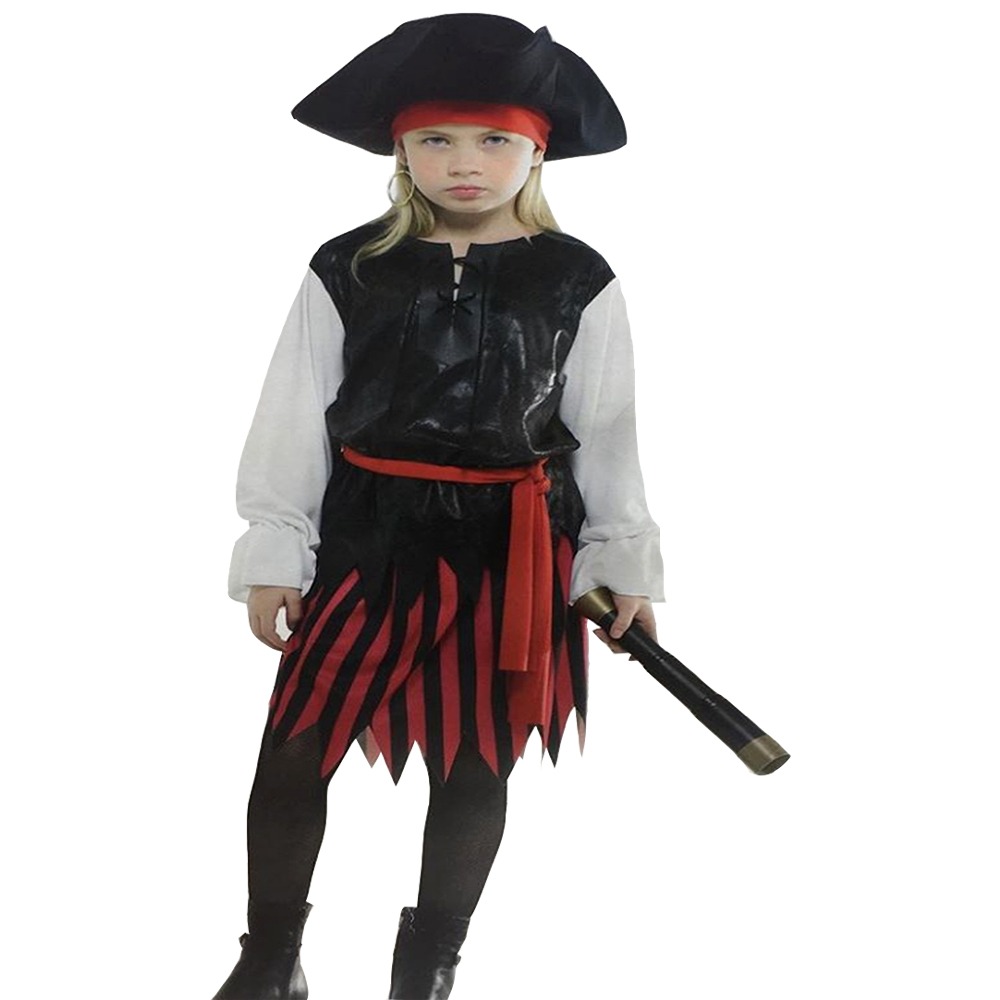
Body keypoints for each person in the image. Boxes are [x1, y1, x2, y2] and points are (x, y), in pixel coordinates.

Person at [210, 13, 665, 1000]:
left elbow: (607, 431)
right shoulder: (349, 266)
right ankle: (270, 957)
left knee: (474, 758)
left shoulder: (576, 279)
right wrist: (277, 544)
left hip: (515, 553)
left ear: (536, 149)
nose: (464, 162)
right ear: (401, 150)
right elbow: (293, 412)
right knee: (295, 746)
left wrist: (618, 562)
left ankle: (428, 966)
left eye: (493, 138)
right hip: (367, 538)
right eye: (437, 139)